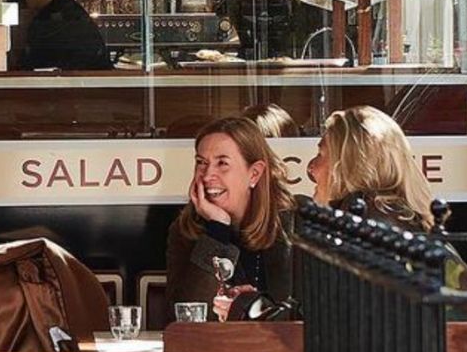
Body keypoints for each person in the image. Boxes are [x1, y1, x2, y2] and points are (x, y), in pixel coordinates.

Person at [163, 113, 290, 316]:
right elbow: (185, 317)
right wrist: (218, 229)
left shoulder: (292, 225)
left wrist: (252, 307)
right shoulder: (185, 231)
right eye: (201, 162)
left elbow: (302, 316)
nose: (206, 175)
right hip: (213, 347)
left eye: (222, 163)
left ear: (254, 173)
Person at [309, 104, 436, 230]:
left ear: (350, 164)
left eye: (320, 154)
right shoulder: (394, 214)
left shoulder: (365, 221)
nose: (310, 168)